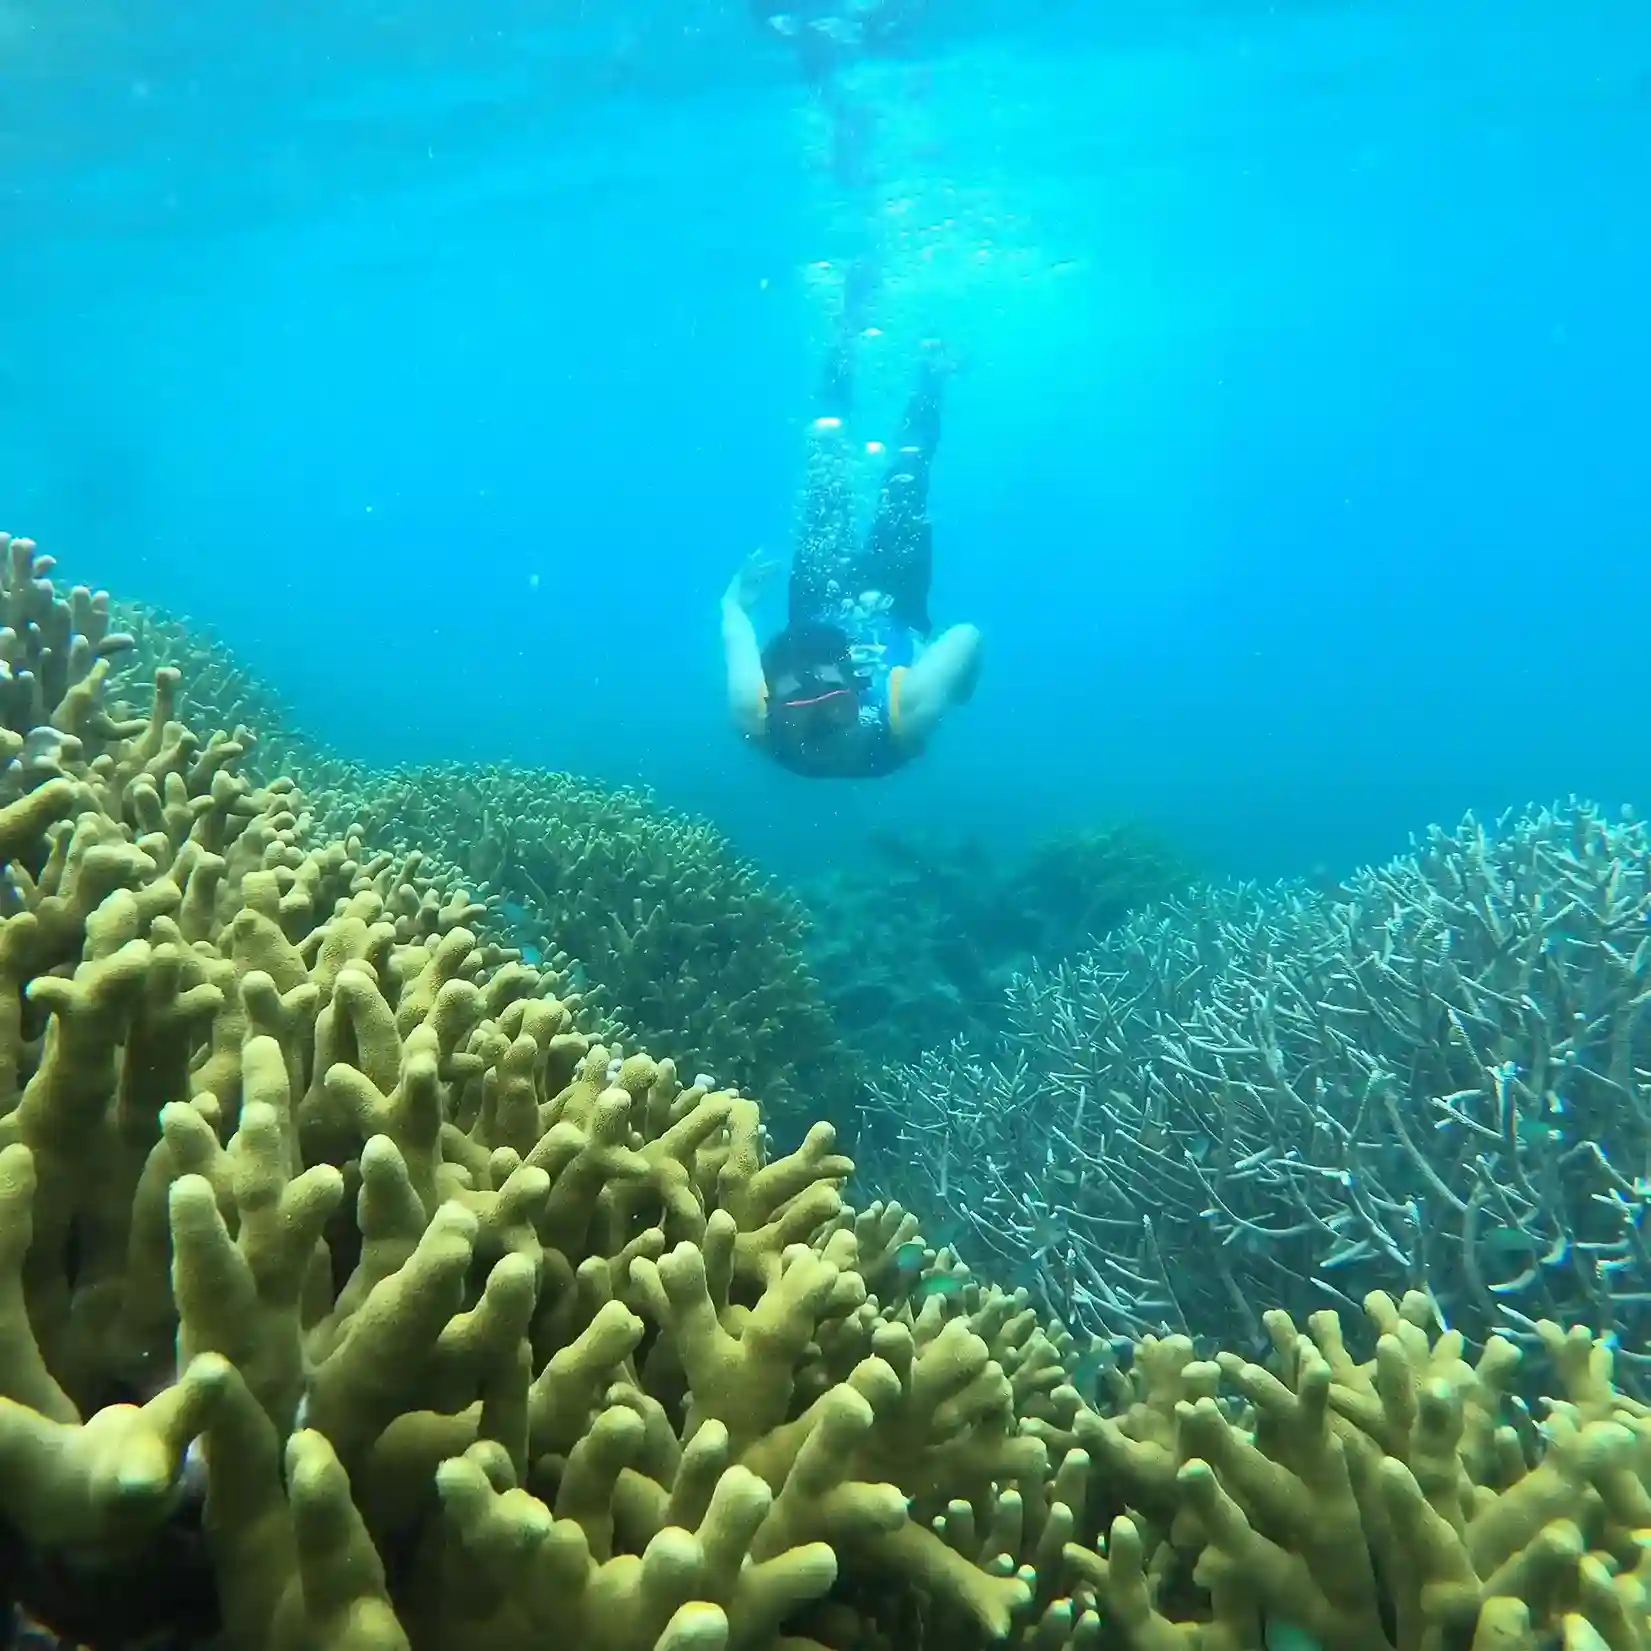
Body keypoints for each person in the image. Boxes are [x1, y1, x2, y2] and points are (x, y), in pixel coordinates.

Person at [720, 327, 982, 779]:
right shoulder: (905, 715)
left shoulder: (754, 716)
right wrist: (957, 684)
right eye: (801, 712)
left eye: (828, 708)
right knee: (907, 475)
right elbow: (968, 635)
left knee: (828, 473)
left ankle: (845, 331)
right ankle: (930, 375)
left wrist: (732, 602)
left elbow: (735, 630)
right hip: (895, 602)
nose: (820, 730)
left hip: (816, 603)